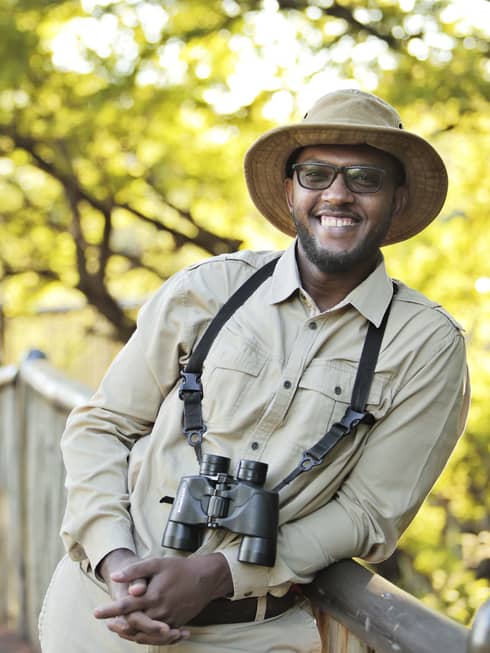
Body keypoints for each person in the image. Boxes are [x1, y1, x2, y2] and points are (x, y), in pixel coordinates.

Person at [39, 89, 470, 653]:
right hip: (100, 610)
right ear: (291, 189)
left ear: (397, 197)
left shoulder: (425, 344)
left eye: (365, 178)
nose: (337, 193)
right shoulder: (209, 288)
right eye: (316, 173)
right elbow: (103, 425)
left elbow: (370, 514)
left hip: (252, 634)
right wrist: (119, 562)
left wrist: (219, 574)